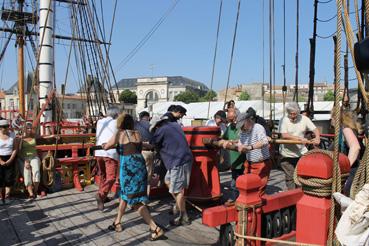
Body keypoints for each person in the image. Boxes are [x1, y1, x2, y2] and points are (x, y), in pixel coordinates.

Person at [103, 113, 164, 241]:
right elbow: (140, 146)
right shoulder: (137, 134)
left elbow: (107, 146)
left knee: (134, 200)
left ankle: (155, 228)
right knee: (125, 195)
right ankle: (117, 223)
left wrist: (105, 145)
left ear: (120, 123)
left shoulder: (120, 134)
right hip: (140, 167)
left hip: (128, 170)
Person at [151, 116, 193, 226]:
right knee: (168, 181)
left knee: (177, 191)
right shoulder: (175, 125)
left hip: (178, 161)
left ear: (157, 126)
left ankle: (183, 216)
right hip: (183, 159)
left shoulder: (161, 130)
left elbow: (153, 143)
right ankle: (179, 205)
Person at [279, 102, 320, 190]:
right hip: (287, 154)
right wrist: (299, 139)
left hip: (301, 154)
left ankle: (300, 195)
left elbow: (315, 129)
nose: (292, 116)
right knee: (290, 177)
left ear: (298, 113)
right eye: (290, 114)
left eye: (294, 114)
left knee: (301, 176)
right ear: (288, 112)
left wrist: (317, 137)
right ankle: (292, 197)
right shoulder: (283, 120)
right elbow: (284, 135)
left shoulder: (304, 119)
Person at [236, 112, 272, 195]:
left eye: (242, 125)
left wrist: (250, 147)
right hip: (249, 164)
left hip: (261, 164)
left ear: (247, 121)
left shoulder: (258, 128)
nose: (241, 128)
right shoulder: (242, 131)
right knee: (247, 187)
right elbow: (240, 143)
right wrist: (240, 147)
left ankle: (258, 206)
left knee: (258, 190)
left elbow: (264, 141)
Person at [95, 106, 120, 211]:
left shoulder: (99, 122)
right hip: (110, 152)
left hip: (98, 152)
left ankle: (103, 197)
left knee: (102, 175)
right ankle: (101, 194)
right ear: (116, 114)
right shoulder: (116, 123)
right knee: (111, 177)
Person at [333, 109, 363, 195]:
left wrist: (345, 167)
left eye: (332, 117)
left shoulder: (345, 129)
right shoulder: (348, 129)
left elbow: (355, 147)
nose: (331, 120)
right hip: (352, 170)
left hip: (351, 171)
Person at [219, 109, 246, 203]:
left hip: (244, 160)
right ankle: (236, 200)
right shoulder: (230, 127)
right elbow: (224, 138)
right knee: (235, 181)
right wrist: (222, 141)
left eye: (233, 119)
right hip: (234, 161)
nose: (232, 121)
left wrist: (231, 141)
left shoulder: (243, 125)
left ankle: (240, 200)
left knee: (241, 183)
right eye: (230, 120)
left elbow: (244, 139)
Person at [18, 123, 41, 200]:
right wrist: (25, 161)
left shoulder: (34, 136)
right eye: (28, 128)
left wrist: (54, 136)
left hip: (34, 157)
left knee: (36, 172)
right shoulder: (21, 138)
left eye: (30, 128)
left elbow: (45, 137)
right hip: (24, 158)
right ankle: (30, 193)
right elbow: (19, 151)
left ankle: (35, 191)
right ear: (24, 129)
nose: (29, 130)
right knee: (27, 173)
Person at [135, 111, 154, 195]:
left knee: (137, 175)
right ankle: (144, 200)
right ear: (148, 117)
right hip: (148, 152)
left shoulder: (135, 125)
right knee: (147, 177)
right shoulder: (151, 126)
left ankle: (135, 198)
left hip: (136, 152)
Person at [0, 119, 18, 204]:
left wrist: (10, 159)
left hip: (10, 157)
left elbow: (15, 148)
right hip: (0, 158)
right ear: (0, 128)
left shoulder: (12, 135)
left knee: (9, 178)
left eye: (7, 126)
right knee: (0, 179)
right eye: (4, 127)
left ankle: (7, 196)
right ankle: (1, 197)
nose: (6, 128)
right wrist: (0, 161)